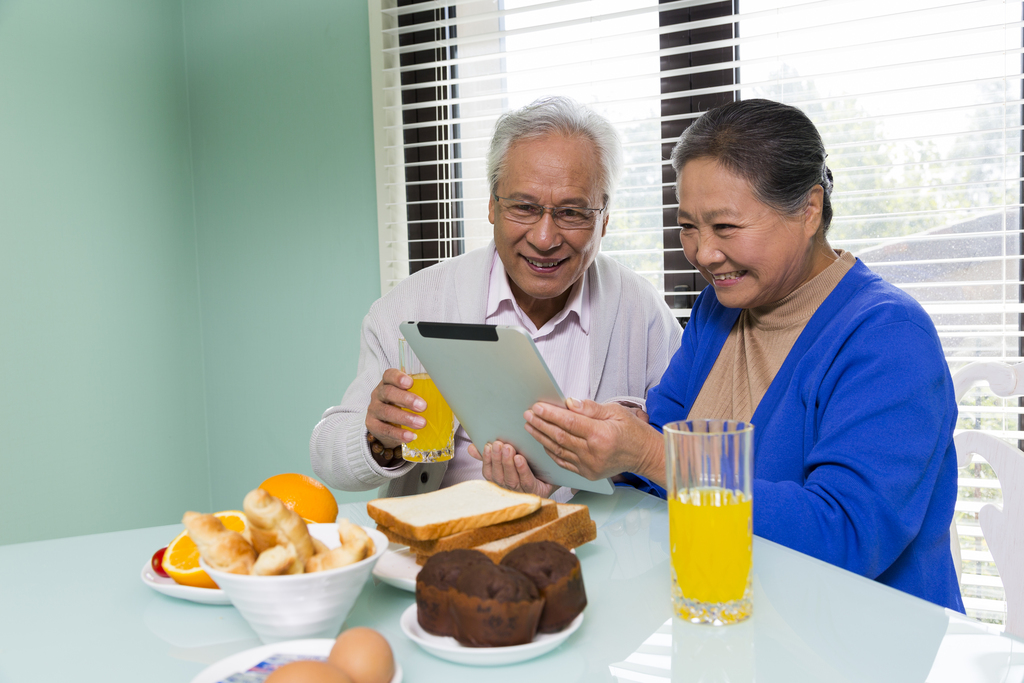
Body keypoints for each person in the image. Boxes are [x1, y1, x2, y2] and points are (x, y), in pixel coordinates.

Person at [519, 99, 964, 611]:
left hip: (861, 639)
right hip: (728, 616)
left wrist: (646, 453)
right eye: (688, 226)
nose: (704, 253)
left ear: (808, 210)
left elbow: (845, 537)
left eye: (726, 227)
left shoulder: (888, 335)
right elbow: (657, 448)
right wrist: (580, 457)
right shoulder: (719, 308)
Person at [310, 96, 682, 500]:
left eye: (572, 213)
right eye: (524, 207)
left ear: (605, 219)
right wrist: (377, 437)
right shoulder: (411, 304)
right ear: (491, 205)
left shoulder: (640, 309)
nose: (544, 239)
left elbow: (688, 453)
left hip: (595, 547)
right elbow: (329, 454)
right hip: (449, 542)